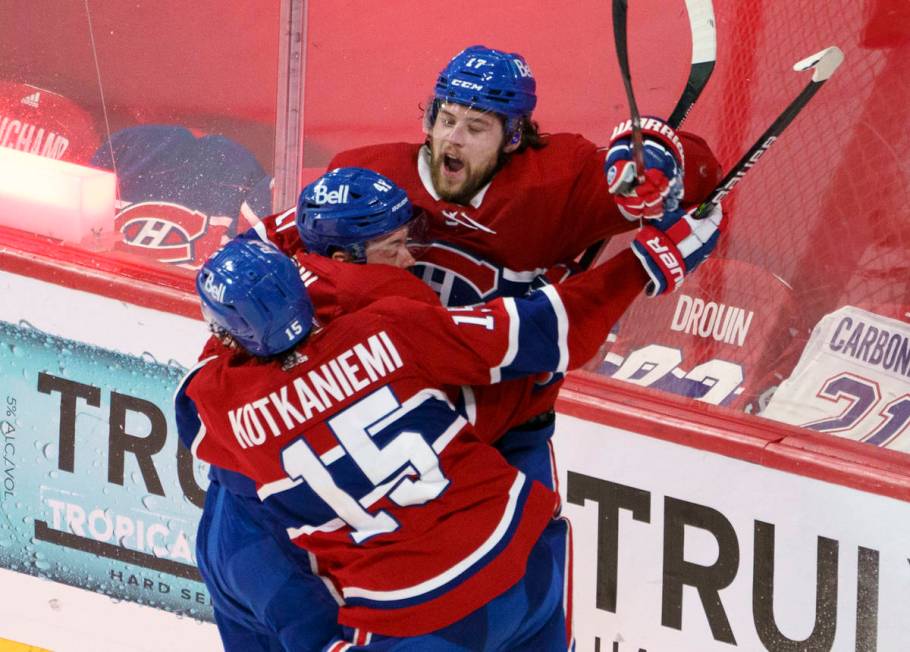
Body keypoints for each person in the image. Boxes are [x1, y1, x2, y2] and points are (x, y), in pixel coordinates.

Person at [175, 191, 723, 649]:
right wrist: (642, 264)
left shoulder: (217, 405)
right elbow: (545, 328)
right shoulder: (388, 327)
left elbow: (206, 393)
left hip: (417, 618)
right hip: (523, 560)